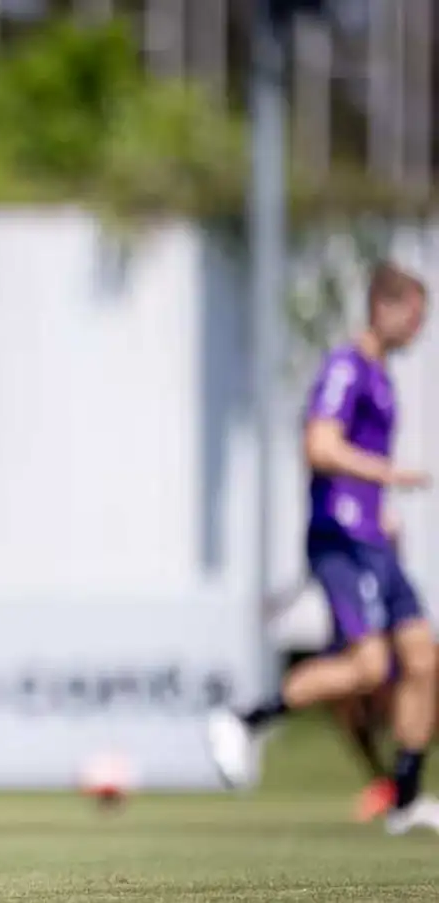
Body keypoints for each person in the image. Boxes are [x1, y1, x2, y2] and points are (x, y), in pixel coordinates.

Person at [208, 260, 439, 834]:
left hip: (372, 538)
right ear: (385, 309)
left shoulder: (381, 375)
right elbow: (320, 446)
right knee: (369, 667)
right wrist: (389, 477)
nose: (419, 329)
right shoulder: (347, 366)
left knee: (424, 660)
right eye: (414, 316)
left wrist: (382, 511)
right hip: (341, 539)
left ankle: (405, 799)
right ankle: (244, 719)